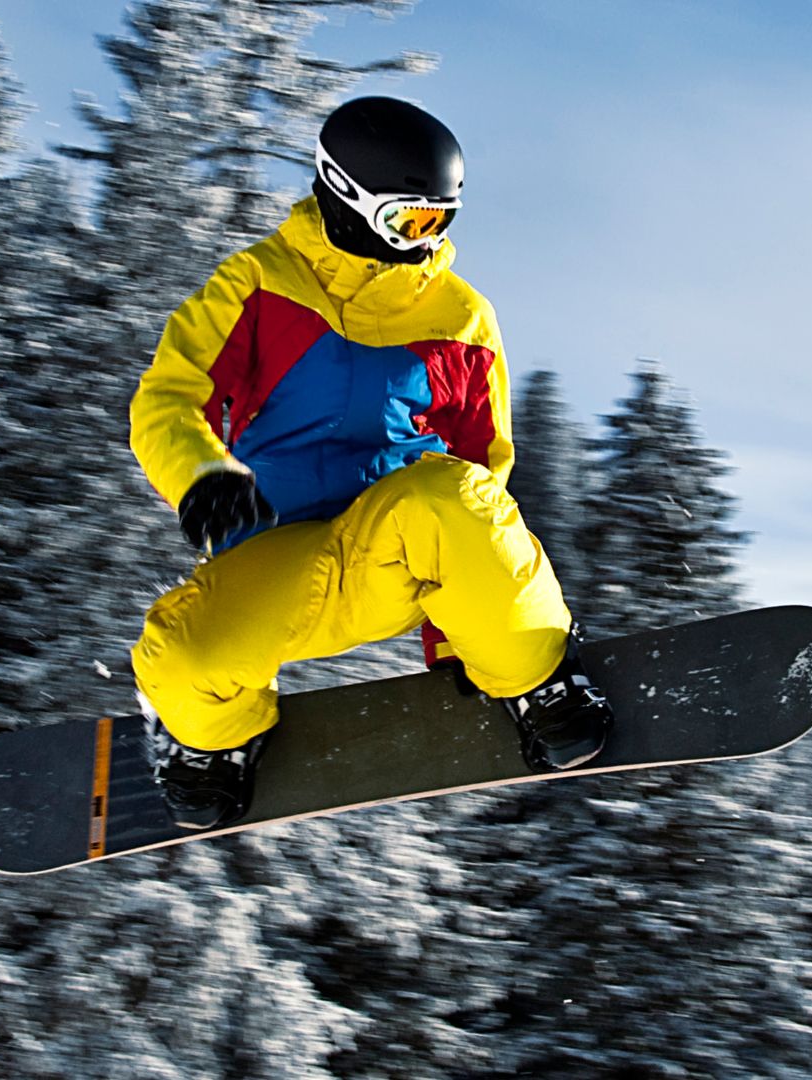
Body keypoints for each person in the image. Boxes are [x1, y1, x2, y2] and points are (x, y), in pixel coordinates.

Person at [127, 96, 611, 830]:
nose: (427, 243)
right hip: (278, 554)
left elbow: (483, 470)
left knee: (455, 494)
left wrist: (459, 629)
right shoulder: (256, 287)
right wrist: (200, 475)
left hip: (399, 550)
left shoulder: (460, 316)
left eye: (439, 222)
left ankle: (534, 674)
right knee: (187, 659)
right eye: (409, 221)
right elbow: (169, 398)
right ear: (347, 196)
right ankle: (212, 742)